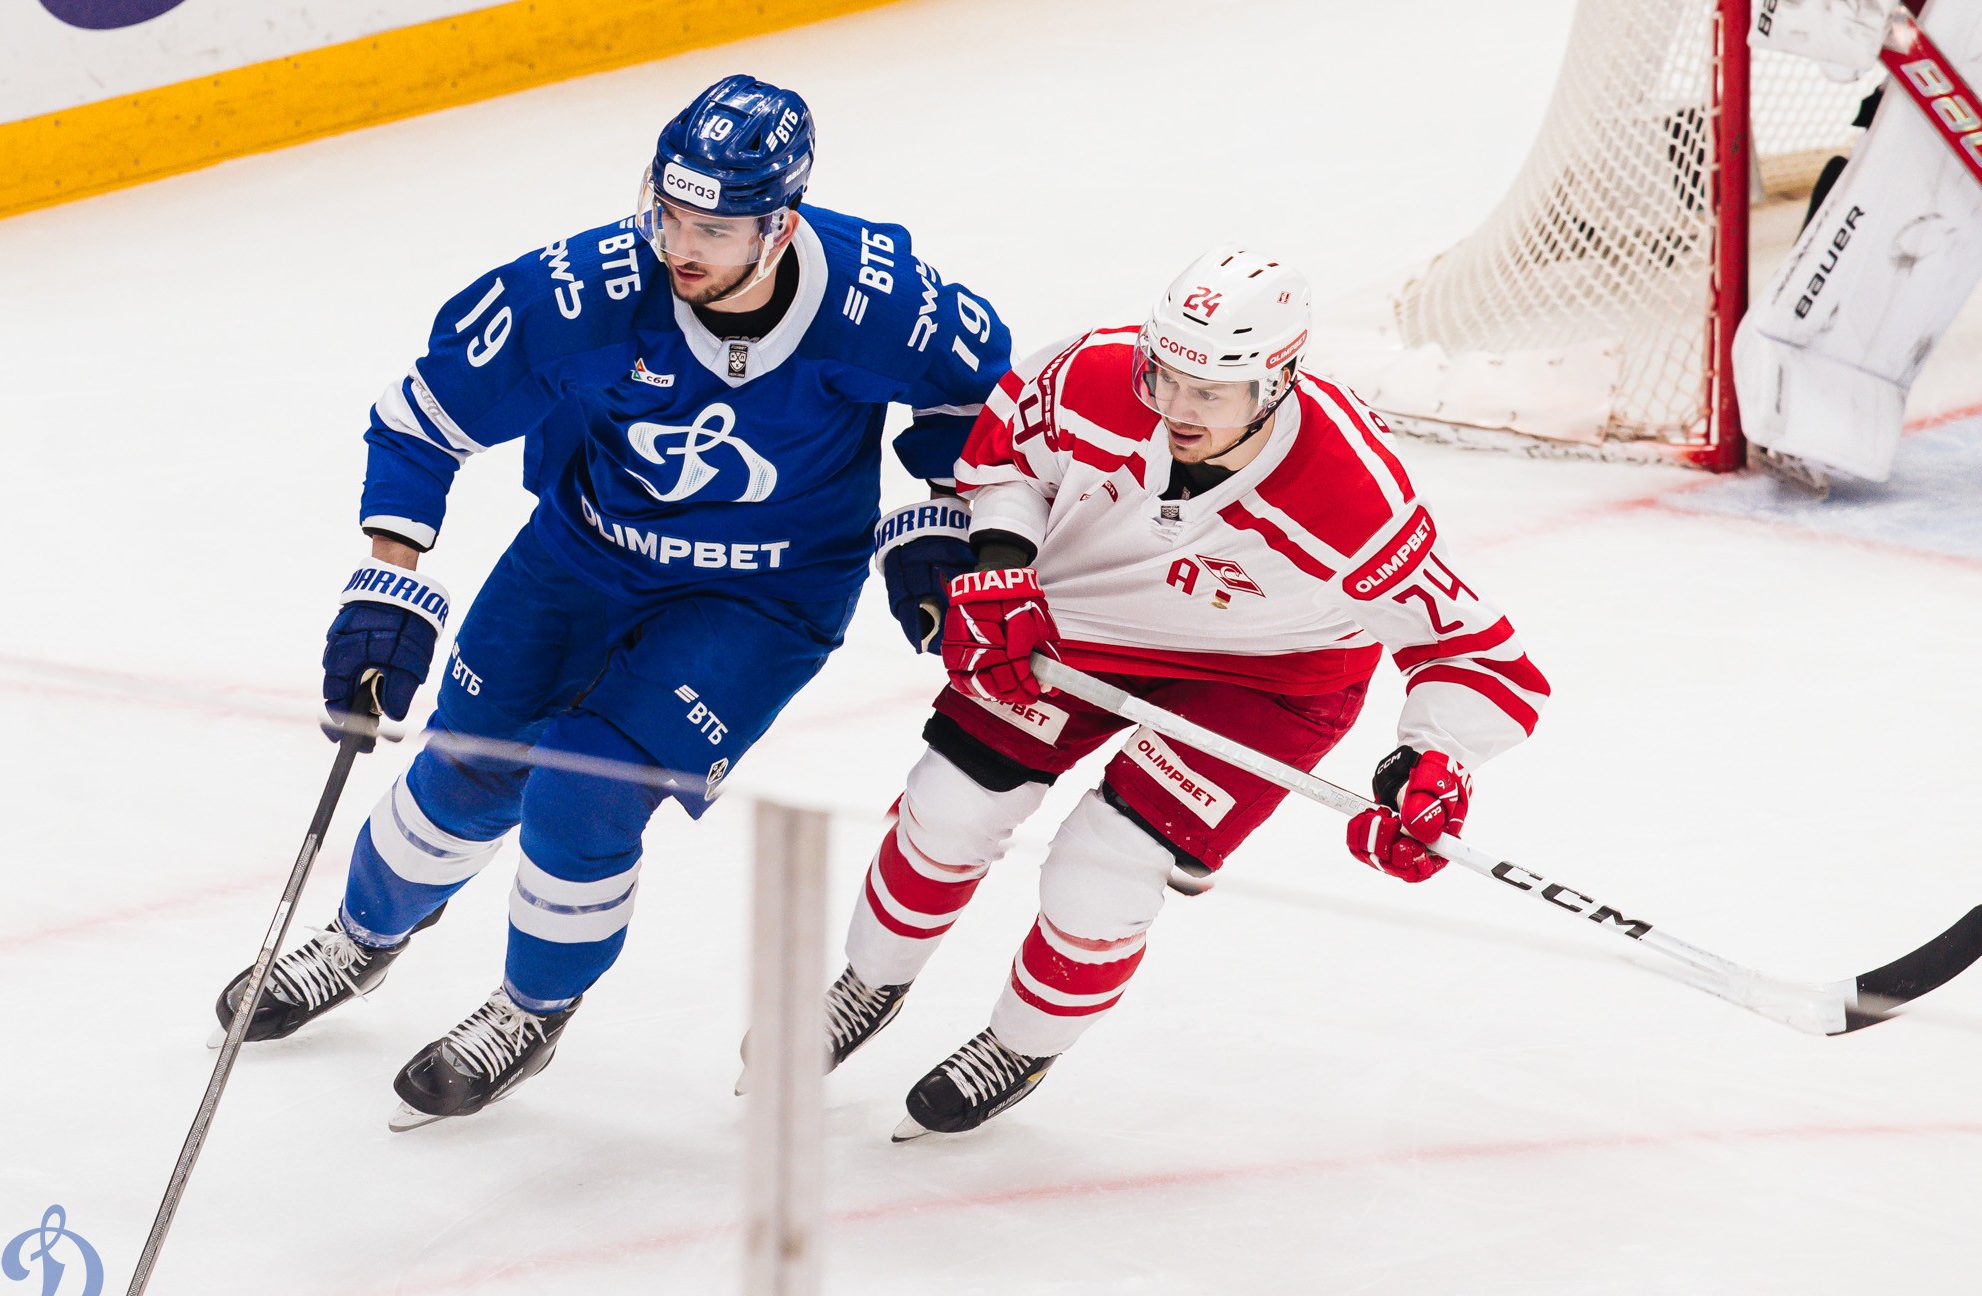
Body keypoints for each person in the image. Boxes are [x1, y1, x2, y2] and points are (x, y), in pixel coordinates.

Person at [212, 74, 1008, 1129]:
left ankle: (530, 1008)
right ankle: (361, 939)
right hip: (582, 555)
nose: (680, 246)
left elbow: (981, 403)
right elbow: (420, 421)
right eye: (667, 213)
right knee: (466, 767)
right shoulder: (580, 292)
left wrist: (945, 514)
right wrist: (388, 582)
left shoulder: (882, 301)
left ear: (780, 226)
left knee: (582, 793)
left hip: (764, 599)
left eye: (713, 229)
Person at [815, 247, 1549, 1138]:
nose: (1176, 407)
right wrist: (1002, 567)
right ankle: (869, 979)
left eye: (1210, 391)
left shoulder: (1351, 494)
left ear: (1276, 382)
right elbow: (1008, 462)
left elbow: (1479, 654)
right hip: (1082, 622)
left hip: (1270, 676)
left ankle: (1019, 1043)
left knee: (1100, 869)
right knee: (949, 805)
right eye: (1164, 375)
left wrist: (1435, 764)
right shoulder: (1092, 373)